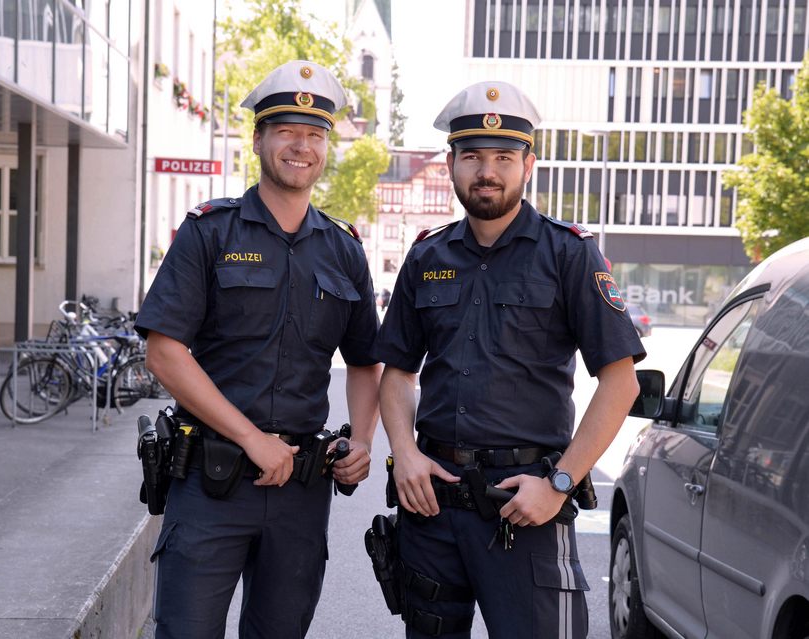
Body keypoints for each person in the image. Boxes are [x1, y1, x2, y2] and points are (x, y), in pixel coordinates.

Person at [372, 81, 646, 638]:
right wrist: (404, 455)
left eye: (503, 157)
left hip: (524, 502)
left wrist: (561, 483)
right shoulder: (426, 256)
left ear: (529, 164)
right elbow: (397, 371)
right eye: (471, 156)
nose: (486, 171)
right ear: (451, 164)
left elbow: (621, 383)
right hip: (432, 501)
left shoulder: (569, 254)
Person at [135, 60, 382, 639]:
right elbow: (165, 351)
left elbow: (366, 360)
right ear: (258, 140)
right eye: (287, 132)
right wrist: (251, 439)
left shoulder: (344, 250)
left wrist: (364, 440)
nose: (302, 146)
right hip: (210, 483)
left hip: (300, 490)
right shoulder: (209, 231)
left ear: (326, 149)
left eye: (315, 134)